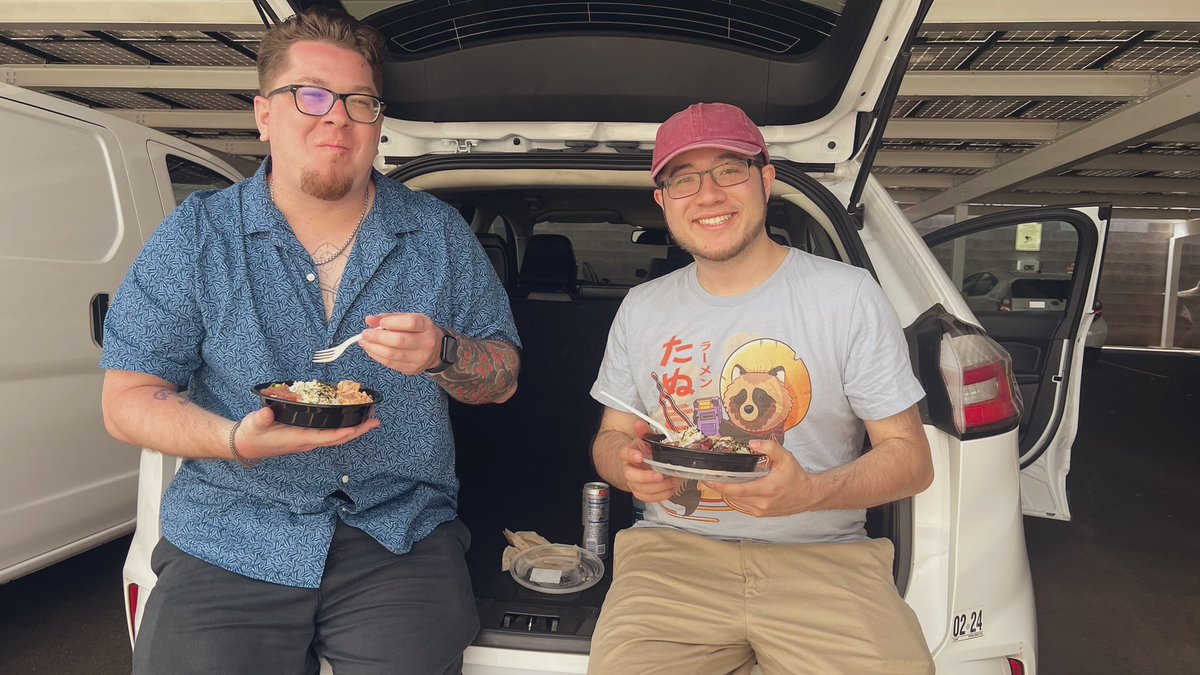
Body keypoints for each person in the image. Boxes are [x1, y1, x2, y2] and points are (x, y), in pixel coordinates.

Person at [99, 8, 519, 674]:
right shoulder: (197, 236)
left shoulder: (439, 236)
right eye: (312, 95)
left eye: (359, 101)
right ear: (264, 113)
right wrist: (234, 440)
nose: (338, 118)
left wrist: (444, 353)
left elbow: (503, 377)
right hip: (232, 528)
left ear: (377, 121)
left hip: (398, 534)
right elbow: (126, 398)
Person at [587, 102, 935, 674]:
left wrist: (809, 494)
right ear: (663, 199)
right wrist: (626, 467)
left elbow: (912, 461)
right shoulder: (641, 308)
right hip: (672, 560)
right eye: (684, 178)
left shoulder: (846, 295)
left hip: (824, 560)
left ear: (766, 179)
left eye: (729, 169)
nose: (708, 194)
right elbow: (611, 436)